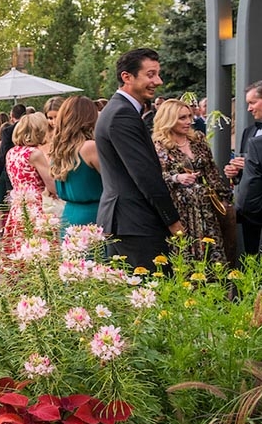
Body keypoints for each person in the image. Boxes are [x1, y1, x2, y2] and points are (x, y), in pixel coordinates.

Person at [94, 48, 184, 270]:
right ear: (127, 77)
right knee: (155, 296)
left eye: (158, 74)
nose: (158, 81)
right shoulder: (122, 114)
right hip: (136, 224)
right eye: (150, 74)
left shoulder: (119, 110)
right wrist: (173, 222)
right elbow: (145, 175)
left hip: (127, 222)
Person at [153, 99, 234, 264]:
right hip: (179, 208)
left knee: (214, 254)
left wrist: (224, 198)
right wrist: (176, 178)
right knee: (185, 255)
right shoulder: (159, 146)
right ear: (169, 119)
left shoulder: (197, 140)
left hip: (206, 207)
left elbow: (212, 171)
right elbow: (153, 177)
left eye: (189, 116)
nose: (188, 121)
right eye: (182, 118)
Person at [1, 112, 57, 247]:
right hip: (37, 206)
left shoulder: (12, 152)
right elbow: (52, 186)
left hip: (18, 206)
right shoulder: (34, 154)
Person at [49, 96, 103, 231]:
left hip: (68, 216)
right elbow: (116, 180)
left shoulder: (59, 149)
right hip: (93, 217)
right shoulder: (90, 147)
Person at [225, 81, 262, 258]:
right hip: (250, 212)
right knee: (250, 257)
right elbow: (243, 178)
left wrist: (251, 163)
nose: (249, 109)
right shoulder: (248, 132)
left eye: (252, 102)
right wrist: (235, 173)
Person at [0, 105, 28, 223]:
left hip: (12, 172)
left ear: (12, 116)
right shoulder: (32, 128)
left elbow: (3, 154)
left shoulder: (8, 131)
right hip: (29, 171)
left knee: (13, 201)